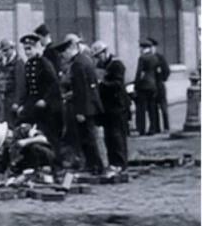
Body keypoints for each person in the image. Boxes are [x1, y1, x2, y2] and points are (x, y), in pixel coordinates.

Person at [56, 35, 104, 174]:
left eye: (64, 53)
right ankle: (91, 165)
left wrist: (80, 112)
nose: (63, 56)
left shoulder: (78, 64)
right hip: (87, 107)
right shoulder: (83, 60)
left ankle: (96, 166)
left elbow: (82, 90)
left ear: (71, 49)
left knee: (89, 138)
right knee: (86, 138)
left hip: (84, 108)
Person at [16, 33, 63, 165]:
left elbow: (54, 84)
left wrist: (46, 100)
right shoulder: (28, 65)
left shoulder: (45, 63)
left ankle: (55, 162)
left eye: (30, 49)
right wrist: (22, 104)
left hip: (46, 105)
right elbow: (27, 88)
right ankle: (35, 160)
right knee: (31, 130)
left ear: (37, 47)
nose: (27, 52)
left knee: (50, 134)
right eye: (25, 49)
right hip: (33, 103)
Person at [92, 41, 130, 173]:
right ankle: (113, 162)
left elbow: (118, 84)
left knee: (117, 135)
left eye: (99, 55)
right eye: (96, 56)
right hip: (106, 107)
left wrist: (102, 83)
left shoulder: (116, 64)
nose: (98, 58)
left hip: (117, 106)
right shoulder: (100, 65)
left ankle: (120, 163)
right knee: (109, 136)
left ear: (105, 52)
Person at [0, 38, 25, 126]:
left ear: (12, 48)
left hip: (13, 97)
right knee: (6, 123)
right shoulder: (5, 62)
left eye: (6, 50)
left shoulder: (18, 62)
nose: (4, 53)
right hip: (6, 98)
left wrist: (17, 102)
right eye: (3, 51)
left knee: (14, 123)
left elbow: (20, 84)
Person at [134, 39, 160, 136]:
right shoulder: (154, 57)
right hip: (153, 85)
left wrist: (136, 85)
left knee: (141, 109)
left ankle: (142, 129)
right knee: (151, 108)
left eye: (141, 48)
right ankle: (152, 128)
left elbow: (139, 73)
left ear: (143, 48)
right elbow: (157, 73)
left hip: (143, 86)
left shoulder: (142, 58)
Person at [149, 38, 171, 132]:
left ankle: (166, 127)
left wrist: (162, 78)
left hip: (159, 85)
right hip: (151, 86)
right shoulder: (147, 58)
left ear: (155, 47)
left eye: (151, 47)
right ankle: (156, 127)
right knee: (153, 108)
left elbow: (167, 70)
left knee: (163, 107)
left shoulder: (160, 57)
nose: (150, 49)